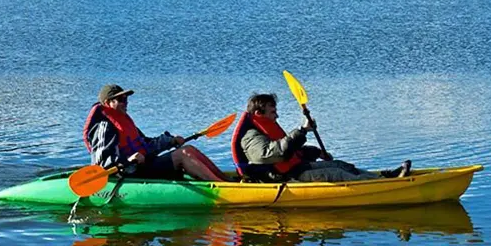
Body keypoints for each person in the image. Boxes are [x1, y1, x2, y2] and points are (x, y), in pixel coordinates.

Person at [230, 93, 411, 183]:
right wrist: (301, 130)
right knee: (337, 174)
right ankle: (386, 185)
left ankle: (381, 178)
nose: (277, 116)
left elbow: (292, 151)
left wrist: (316, 152)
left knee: (341, 165)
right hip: (284, 177)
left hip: (296, 167)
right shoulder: (250, 136)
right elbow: (271, 155)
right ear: (258, 112)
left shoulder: (267, 126)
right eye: (273, 111)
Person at [83, 84, 230, 182]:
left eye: (126, 98)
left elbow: (145, 145)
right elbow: (101, 164)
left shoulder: (124, 120)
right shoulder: (104, 126)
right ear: (108, 103)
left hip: (141, 166)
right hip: (128, 173)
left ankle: (226, 181)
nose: (126, 102)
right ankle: (223, 187)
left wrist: (170, 141)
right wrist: (128, 160)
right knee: (183, 155)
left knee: (188, 149)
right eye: (121, 99)